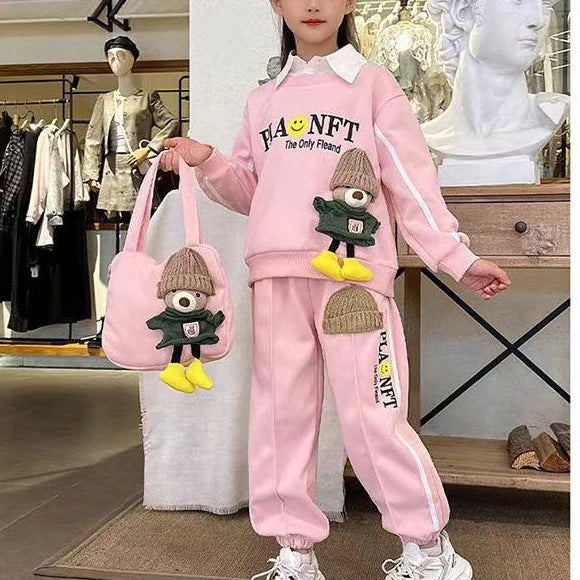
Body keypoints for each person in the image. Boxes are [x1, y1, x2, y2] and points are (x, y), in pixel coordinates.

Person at [162, 1, 511, 578]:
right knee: (281, 420)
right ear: (277, 4)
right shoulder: (263, 99)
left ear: (350, 2)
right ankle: (295, 553)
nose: (313, 5)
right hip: (276, 279)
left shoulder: (373, 86)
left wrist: (455, 256)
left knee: (374, 415)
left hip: (353, 283)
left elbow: (411, 180)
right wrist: (209, 162)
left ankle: (430, 551)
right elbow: (251, 191)